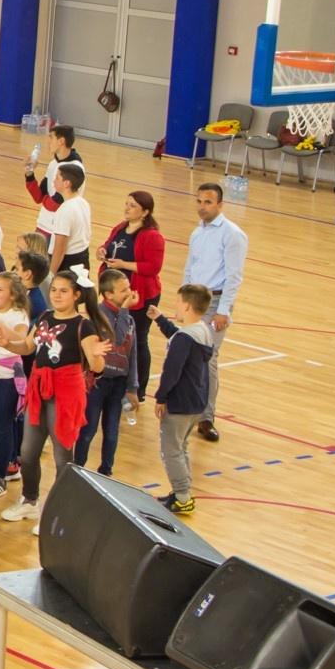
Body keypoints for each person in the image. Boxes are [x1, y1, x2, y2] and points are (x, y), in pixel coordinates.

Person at [0, 268, 107, 527]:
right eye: (54, 289)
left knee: (62, 455)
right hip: (39, 389)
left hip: (65, 393)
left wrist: (97, 356)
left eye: (63, 291)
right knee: (27, 452)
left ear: (77, 295)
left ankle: (61, 513)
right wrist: (7, 344)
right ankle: (29, 501)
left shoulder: (84, 326)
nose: (56, 295)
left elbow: (97, 367)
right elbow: (28, 347)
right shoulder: (45, 316)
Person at [180, 182, 246, 444]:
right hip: (193, 301)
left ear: (220, 204)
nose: (202, 207)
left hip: (215, 301)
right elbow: (190, 267)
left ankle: (206, 418)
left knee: (208, 360)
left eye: (208, 202)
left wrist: (224, 311)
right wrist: (183, 301)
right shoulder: (197, 233)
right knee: (188, 356)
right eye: (199, 201)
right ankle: (188, 409)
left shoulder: (232, 234)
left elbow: (234, 276)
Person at [150, 285, 215, 516]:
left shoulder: (184, 339)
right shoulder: (202, 330)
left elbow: (172, 371)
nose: (175, 306)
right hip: (197, 401)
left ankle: (183, 497)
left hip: (180, 403)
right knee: (181, 447)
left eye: (178, 302)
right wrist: (160, 320)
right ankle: (182, 492)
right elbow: (179, 337)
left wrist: (161, 397)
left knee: (171, 451)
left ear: (187, 306)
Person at [98, 190, 164, 412]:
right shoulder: (120, 227)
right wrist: (101, 251)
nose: (127, 208)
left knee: (137, 340)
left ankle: (138, 389)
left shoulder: (152, 236)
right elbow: (108, 245)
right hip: (115, 294)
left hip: (139, 294)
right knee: (113, 336)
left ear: (145, 212)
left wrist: (123, 265)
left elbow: (152, 267)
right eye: (126, 204)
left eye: (133, 205)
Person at [74, 268, 137, 476]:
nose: (129, 293)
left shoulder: (129, 319)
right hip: (97, 382)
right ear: (108, 294)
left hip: (118, 384)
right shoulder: (98, 316)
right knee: (88, 430)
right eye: (123, 290)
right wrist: (125, 311)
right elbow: (116, 339)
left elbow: (132, 354)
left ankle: (106, 471)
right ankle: (77, 469)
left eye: (128, 288)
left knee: (111, 432)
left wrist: (132, 387)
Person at [26, 124, 85, 238]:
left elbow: (55, 204)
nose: (48, 142)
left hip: (58, 229)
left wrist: (46, 200)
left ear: (61, 141)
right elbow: (38, 197)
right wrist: (29, 174)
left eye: (51, 137)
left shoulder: (74, 168)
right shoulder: (53, 164)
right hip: (43, 224)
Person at [45, 163, 92, 276]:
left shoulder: (65, 210)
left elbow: (60, 249)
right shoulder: (83, 202)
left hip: (68, 263)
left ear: (67, 183)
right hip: (82, 258)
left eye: (57, 178)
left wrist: (51, 274)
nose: (54, 181)